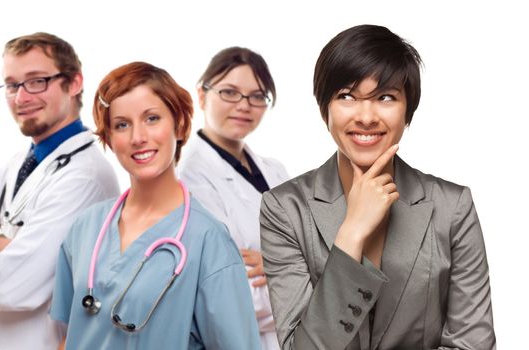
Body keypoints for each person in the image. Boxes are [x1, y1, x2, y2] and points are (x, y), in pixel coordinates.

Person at [259, 25, 496, 349]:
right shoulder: (285, 209)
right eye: (347, 96)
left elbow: (474, 345)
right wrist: (352, 233)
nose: (366, 116)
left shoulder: (452, 207)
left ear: (407, 109)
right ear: (324, 108)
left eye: (385, 97)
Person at [50, 61, 261, 349]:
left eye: (152, 119)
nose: (138, 138)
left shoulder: (208, 240)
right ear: (109, 139)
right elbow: (70, 335)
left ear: (179, 124)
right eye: (122, 125)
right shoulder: (85, 227)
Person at [0, 32, 120, 350]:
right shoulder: (18, 164)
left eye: (37, 81)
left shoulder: (85, 177)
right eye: (12, 84)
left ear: (74, 83)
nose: (21, 98)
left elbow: (13, 288)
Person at [178, 46, 288, 349]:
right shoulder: (188, 180)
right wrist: (299, 268)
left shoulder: (276, 171)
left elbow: (318, 249)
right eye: (229, 92)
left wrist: (283, 265)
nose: (244, 105)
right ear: (201, 95)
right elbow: (230, 296)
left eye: (257, 96)